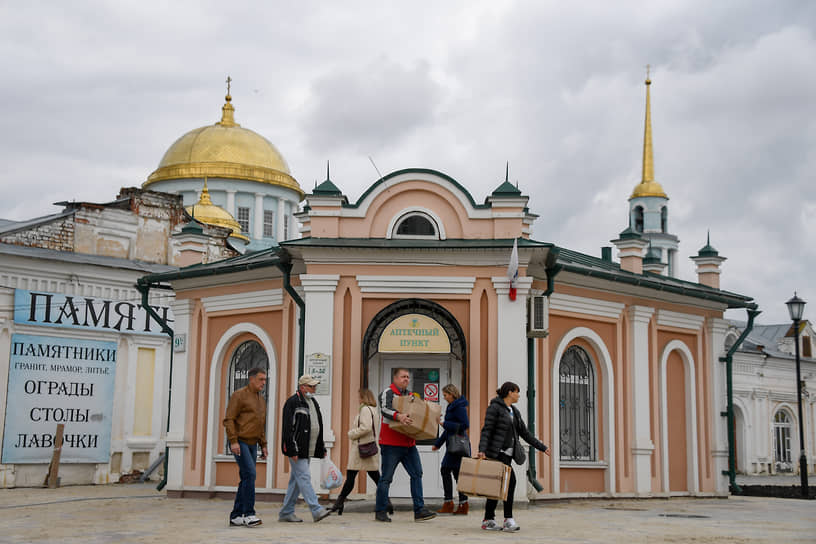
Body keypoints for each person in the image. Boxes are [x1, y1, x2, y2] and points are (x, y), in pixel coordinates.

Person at [477, 381, 550, 532]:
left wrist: (542, 447)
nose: (518, 395)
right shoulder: (494, 408)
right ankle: (508, 520)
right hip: (497, 454)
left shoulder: (514, 411)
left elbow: (525, 433)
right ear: (509, 392)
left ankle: (488, 519)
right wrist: (482, 450)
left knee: (496, 487)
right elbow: (487, 430)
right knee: (510, 483)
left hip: (508, 455)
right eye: (517, 392)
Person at [374, 367, 437, 523]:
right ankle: (380, 511)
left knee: (417, 474)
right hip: (391, 444)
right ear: (395, 378)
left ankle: (419, 510)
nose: (406, 379)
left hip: (409, 443)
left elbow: (418, 414)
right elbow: (384, 409)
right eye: (403, 377)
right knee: (386, 478)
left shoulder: (410, 395)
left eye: (408, 377)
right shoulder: (388, 392)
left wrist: (432, 416)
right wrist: (398, 416)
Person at [279, 374, 331, 523]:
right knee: (304, 477)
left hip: (309, 448)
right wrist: (292, 449)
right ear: (302, 387)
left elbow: (317, 425)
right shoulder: (293, 402)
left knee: (296, 481)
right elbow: (288, 429)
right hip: (297, 449)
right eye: (311, 386)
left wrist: (321, 447)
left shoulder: (312, 402)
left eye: (314, 386)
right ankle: (316, 509)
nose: (314, 389)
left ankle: (286, 512)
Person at [223, 366, 268, 527]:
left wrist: (263, 445)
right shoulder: (239, 395)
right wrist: (233, 441)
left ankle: (236, 515)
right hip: (240, 441)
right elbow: (229, 419)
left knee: (246, 478)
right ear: (251, 379)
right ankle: (249, 513)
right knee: (250, 474)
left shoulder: (261, 400)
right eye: (261, 379)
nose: (264, 382)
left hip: (252, 443)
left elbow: (260, 424)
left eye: (265, 379)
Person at [328, 388, 383, 515]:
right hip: (369, 448)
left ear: (364, 398)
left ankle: (339, 503)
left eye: (360, 397)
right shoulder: (374, 410)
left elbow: (366, 427)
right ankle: (387, 503)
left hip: (361, 449)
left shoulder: (364, 409)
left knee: (351, 477)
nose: (358, 399)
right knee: (376, 478)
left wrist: (352, 434)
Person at [431, 384, 470, 515]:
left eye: (445, 395)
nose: (444, 397)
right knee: (457, 474)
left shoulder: (459, 407)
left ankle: (451, 503)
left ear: (452, 394)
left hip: (457, 446)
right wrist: (438, 444)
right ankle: (461, 504)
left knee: (447, 470)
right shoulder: (452, 406)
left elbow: (465, 425)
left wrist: (444, 423)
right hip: (452, 445)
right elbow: (448, 430)